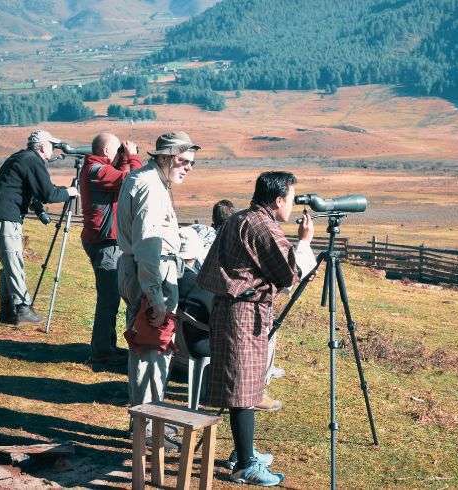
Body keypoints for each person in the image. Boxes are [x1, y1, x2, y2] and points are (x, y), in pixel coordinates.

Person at [197, 171, 314, 486]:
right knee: (241, 389)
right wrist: (304, 242)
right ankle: (245, 465)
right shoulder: (262, 226)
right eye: (291, 199)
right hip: (242, 313)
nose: (293, 205)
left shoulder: (242, 218)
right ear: (278, 201)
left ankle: (243, 451)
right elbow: (290, 275)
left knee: (245, 384)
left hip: (237, 310)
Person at [117, 131, 199, 411]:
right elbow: (148, 246)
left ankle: (149, 420)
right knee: (151, 349)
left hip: (147, 272)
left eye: (192, 163)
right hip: (152, 275)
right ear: (168, 157)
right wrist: (155, 298)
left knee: (150, 348)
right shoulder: (150, 186)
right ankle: (149, 425)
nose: (189, 168)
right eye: (185, 161)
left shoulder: (149, 180)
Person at [0, 129, 79, 325]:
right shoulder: (33, 160)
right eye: (52, 146)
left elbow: (28, 190)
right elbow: (48, 194)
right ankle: (22, 308)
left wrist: (40, 211)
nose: (54, 150)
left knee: (9, 261)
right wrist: (70, 191)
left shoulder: (21, 157)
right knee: (14, 261)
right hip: (4, 215)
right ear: (42, 146)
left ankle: (8, 311)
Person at [79, 132, 141, 363]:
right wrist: (133, 157)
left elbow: (120, 179)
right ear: (106, 151)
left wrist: (124, 159)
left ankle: (106, 347)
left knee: (111, 297)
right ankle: (102, 351)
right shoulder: (98, 171)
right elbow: (133, 181)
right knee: (108, 299)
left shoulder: (98, 169)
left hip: (103, 241)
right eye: (117, 151)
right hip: (105, 243)